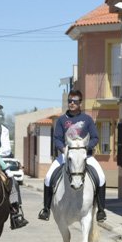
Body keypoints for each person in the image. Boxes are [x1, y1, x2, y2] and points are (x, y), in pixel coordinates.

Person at [37, 89, 107, 222]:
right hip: (66, 155)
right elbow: (57, 138)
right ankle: (46, 209)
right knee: (48, 177)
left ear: (80, 103)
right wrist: (63, 149)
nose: (72, 103)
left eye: (74, 101)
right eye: (69, 101)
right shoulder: (62, 120)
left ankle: (101, 210)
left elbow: (95, 137)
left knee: (101, 177)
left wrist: (86, 148)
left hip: (85, 156)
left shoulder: (87, 119)